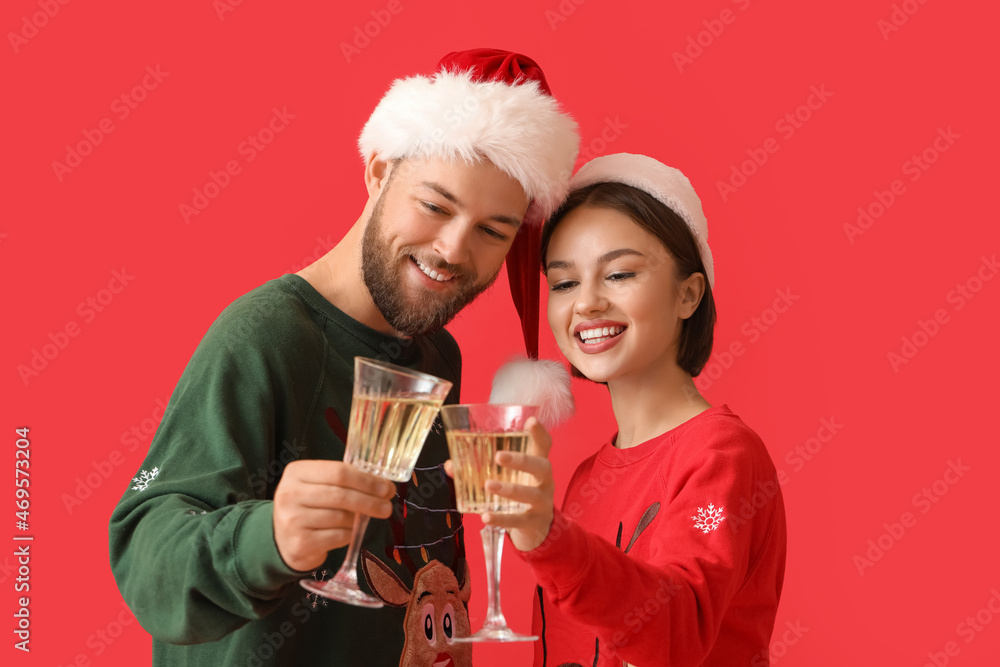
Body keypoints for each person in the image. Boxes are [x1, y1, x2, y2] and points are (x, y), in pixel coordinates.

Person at [108, 49, 578, 667]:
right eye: (435, 206)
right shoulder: (268, 337)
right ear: (379, 171)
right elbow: (147, 552)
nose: (452, 249)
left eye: (494, 231)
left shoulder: (439, 353)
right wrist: (267, 535)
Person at [481, 153, 787, 666]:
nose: (587, 303)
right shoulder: (585, 479)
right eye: (563, 283)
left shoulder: (722, 459)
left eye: (619, 274)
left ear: (688, 294)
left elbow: (676, 631)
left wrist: (547, 538)